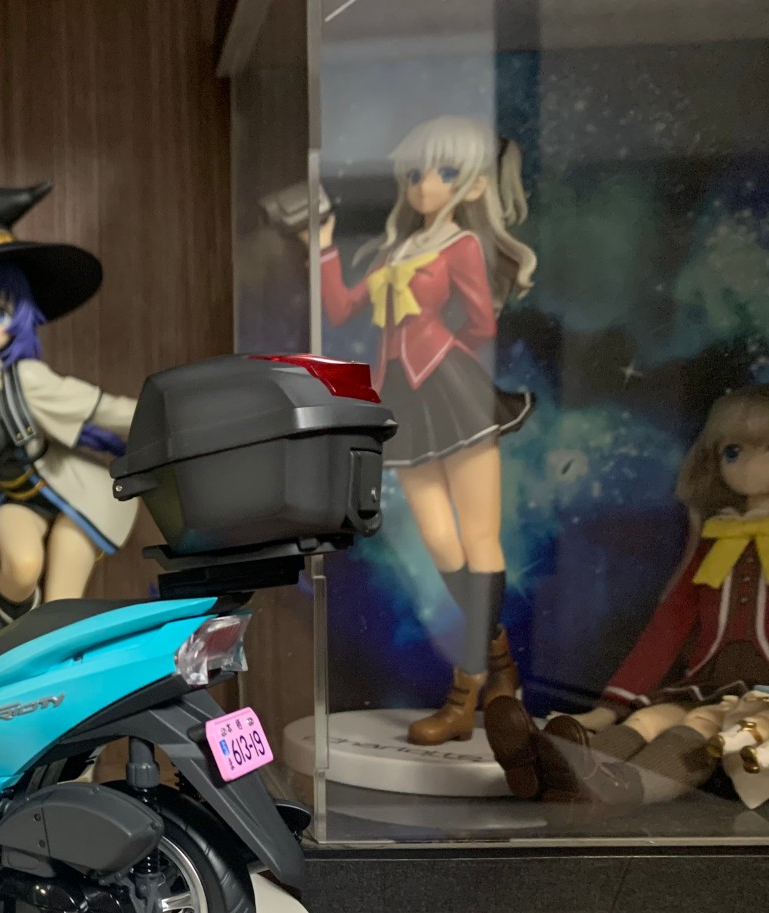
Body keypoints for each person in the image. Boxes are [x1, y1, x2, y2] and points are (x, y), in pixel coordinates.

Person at [315, 116, 537, 746]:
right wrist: (325, 244)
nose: (423, 184)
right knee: (440, 541)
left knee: (480, 536)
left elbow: (483, 325)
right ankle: (502, 666)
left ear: (472, 185)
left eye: (443, 172)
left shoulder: (462, 247)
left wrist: (439, 345)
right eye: (414, 172)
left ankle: (464, 694)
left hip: (453, 389)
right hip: (404, 398)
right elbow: (341, 307)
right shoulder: (397, 250)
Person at [486, 386, 769, 804]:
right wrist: (610, 706)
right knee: (648, 719)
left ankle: (618, 790)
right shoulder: (715, 541)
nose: (748, 466)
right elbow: (667, 630)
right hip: (705, 684)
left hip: (759, 703)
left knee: (691, 734)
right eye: (733, 452)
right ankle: (548, 765)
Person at [0, 183, 138, 626]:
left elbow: (106, 410)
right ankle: (7, 641)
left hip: (78, 494)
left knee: (61, 602)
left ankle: (51, 653)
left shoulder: (24, 378)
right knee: (22, 566)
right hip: (13, 497)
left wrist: (173, 416)